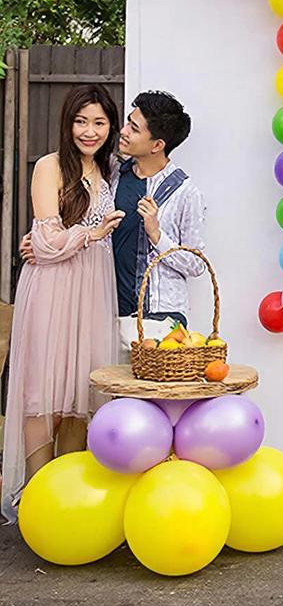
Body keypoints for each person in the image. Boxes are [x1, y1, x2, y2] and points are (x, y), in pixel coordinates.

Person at [2, 85, 124, 522]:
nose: (89, 131)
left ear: (111, 127)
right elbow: (45, 240)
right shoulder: (50, 166)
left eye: (99, 122)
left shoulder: (110, 169)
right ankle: (36, 498)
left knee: (81, 396)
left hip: (93, 290)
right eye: (80, 121)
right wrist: (90, 234)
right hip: (53, 289)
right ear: (67, 124)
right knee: (44, 394)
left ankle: (67, 504)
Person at [19, 90, 207, 360]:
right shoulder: (112, 171)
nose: (124, 131)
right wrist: (42, 240)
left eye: (134, 128)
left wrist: (157, 235)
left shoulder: (186, 193)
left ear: (157, 145)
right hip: (106, 313)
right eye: (128, 122)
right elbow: (82, 213)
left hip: (159, 319)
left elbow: (197, 264)